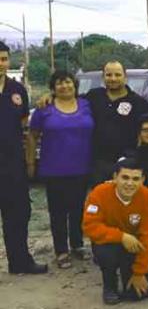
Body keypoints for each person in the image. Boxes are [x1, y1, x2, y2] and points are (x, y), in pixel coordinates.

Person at [29, 70, 95, 269]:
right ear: (53, 88)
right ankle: (61, 251)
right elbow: (32, 136)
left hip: (82, 167)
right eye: (59, 83)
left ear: (74, 85)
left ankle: (77, 245)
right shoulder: (44, 108)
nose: (64, 86)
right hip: (54, 168)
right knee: (58, 211)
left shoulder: (86, 105)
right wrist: (30, 162)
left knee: (77, 209)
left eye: (68, 82)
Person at [82, 158, 148, 304]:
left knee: (134, 295)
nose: (129, 183)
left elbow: (147, 235)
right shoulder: (99, 193)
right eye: (125, 177)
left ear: (143, 180)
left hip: (133, 246)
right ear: (115, 177)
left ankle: (147, 276)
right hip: (111, 243)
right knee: (105, 252)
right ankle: (110, 285)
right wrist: (121, 236)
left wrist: (139, 272)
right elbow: (89, 226)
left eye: (135, 179)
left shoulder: (146, 197)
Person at [0, 41, 47, 274]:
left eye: (3, 59)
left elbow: (25, 127)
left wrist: (28, 161)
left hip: (11, 164)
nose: (1, 64)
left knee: (18, 214)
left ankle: (20, 262)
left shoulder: (17, 90)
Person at [86, 61, 148, 185]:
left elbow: (145, 134)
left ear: (125, 77)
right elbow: (70, 102)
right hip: (98, 163)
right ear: (103, 77)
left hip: (127, 164)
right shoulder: (93, 96)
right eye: (109, 75)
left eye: (117, 75)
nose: (113, 79)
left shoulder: (139, 103)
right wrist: (50, 97)